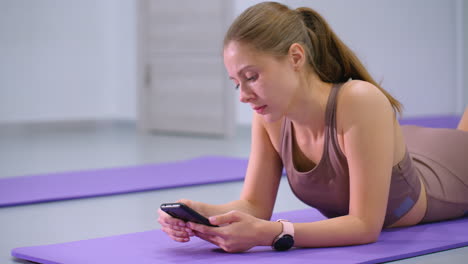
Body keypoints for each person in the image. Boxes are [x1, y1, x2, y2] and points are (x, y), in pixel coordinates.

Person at [158, 1, 468, 253]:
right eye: (236, 83)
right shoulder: (269, 117)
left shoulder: (359, 100)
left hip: (452, 168)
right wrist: (201, 212)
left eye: (251, 77)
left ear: (295, 57)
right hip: (405, 147)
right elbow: (254, 205)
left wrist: (273, 234)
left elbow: (364, 225)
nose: (243, 95)